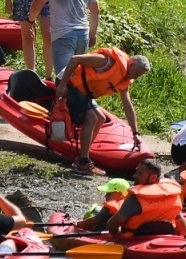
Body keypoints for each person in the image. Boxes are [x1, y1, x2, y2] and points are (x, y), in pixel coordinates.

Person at [57, 47, 150, 175]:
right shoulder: (106, 61)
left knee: (100, 118)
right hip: (68, 83)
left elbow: (128, 105)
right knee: (92, 118)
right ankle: (83, 163)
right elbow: (75, 59)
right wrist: (62, 85)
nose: (136, 77)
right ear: (132, 64)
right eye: (137, 74)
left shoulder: (124, 79)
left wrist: (135, 133)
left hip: (83, 91)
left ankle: (81, 158)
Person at [29, 0, 98, 80]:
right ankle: (76, 100)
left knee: (63, 78)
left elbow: (37, 5)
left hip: (63, 35)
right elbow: (95, 11)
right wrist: (92, 33)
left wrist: (30, 21)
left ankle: (62, 100)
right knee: (77, 76)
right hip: (83, 35)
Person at [91, 158, 186, 237]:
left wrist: (116, 235)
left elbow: (110, 225)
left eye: (140, 174)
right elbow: (183, 231)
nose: (134, 175)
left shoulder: (135, 199)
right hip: (166, 240)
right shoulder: (173, 196)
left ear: (153, 177)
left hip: (134, 241)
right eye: (136, 172)